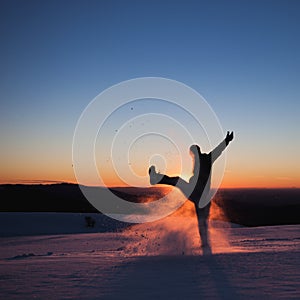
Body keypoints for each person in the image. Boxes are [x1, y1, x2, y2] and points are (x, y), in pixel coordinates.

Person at [149, 131, 234, 250]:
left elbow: (218, 151)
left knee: (202, 220)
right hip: (197, 194)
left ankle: (205, 244)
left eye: (193, 153)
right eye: (192, 154)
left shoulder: (207, 158)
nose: (193, 157)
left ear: (197, 151)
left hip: (200, 195)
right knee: (178, 182)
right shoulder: (199, 161)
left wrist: (227, 141)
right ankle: (156, 179)